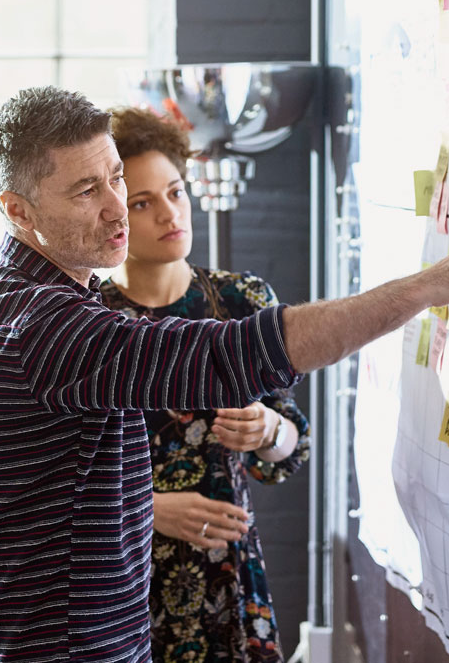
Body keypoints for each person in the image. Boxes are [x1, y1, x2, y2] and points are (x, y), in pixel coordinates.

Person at [0, 86, 449, 663]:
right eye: (86, 190)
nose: (118, 207)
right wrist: (429, 285)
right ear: (17, 209)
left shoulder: (22, 295)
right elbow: (236, 354)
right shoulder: (39, 323)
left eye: (117, 178)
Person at [99, 106, 307, 662]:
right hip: (121, 581)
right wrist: (151, 508)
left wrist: (268, 429)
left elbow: (290, 450)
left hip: (228, 577)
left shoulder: (242, 302)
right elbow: (59, 480)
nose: (170, 213)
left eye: (175, 192)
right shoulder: (89, 320)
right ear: (113, 213)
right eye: (143, 203)